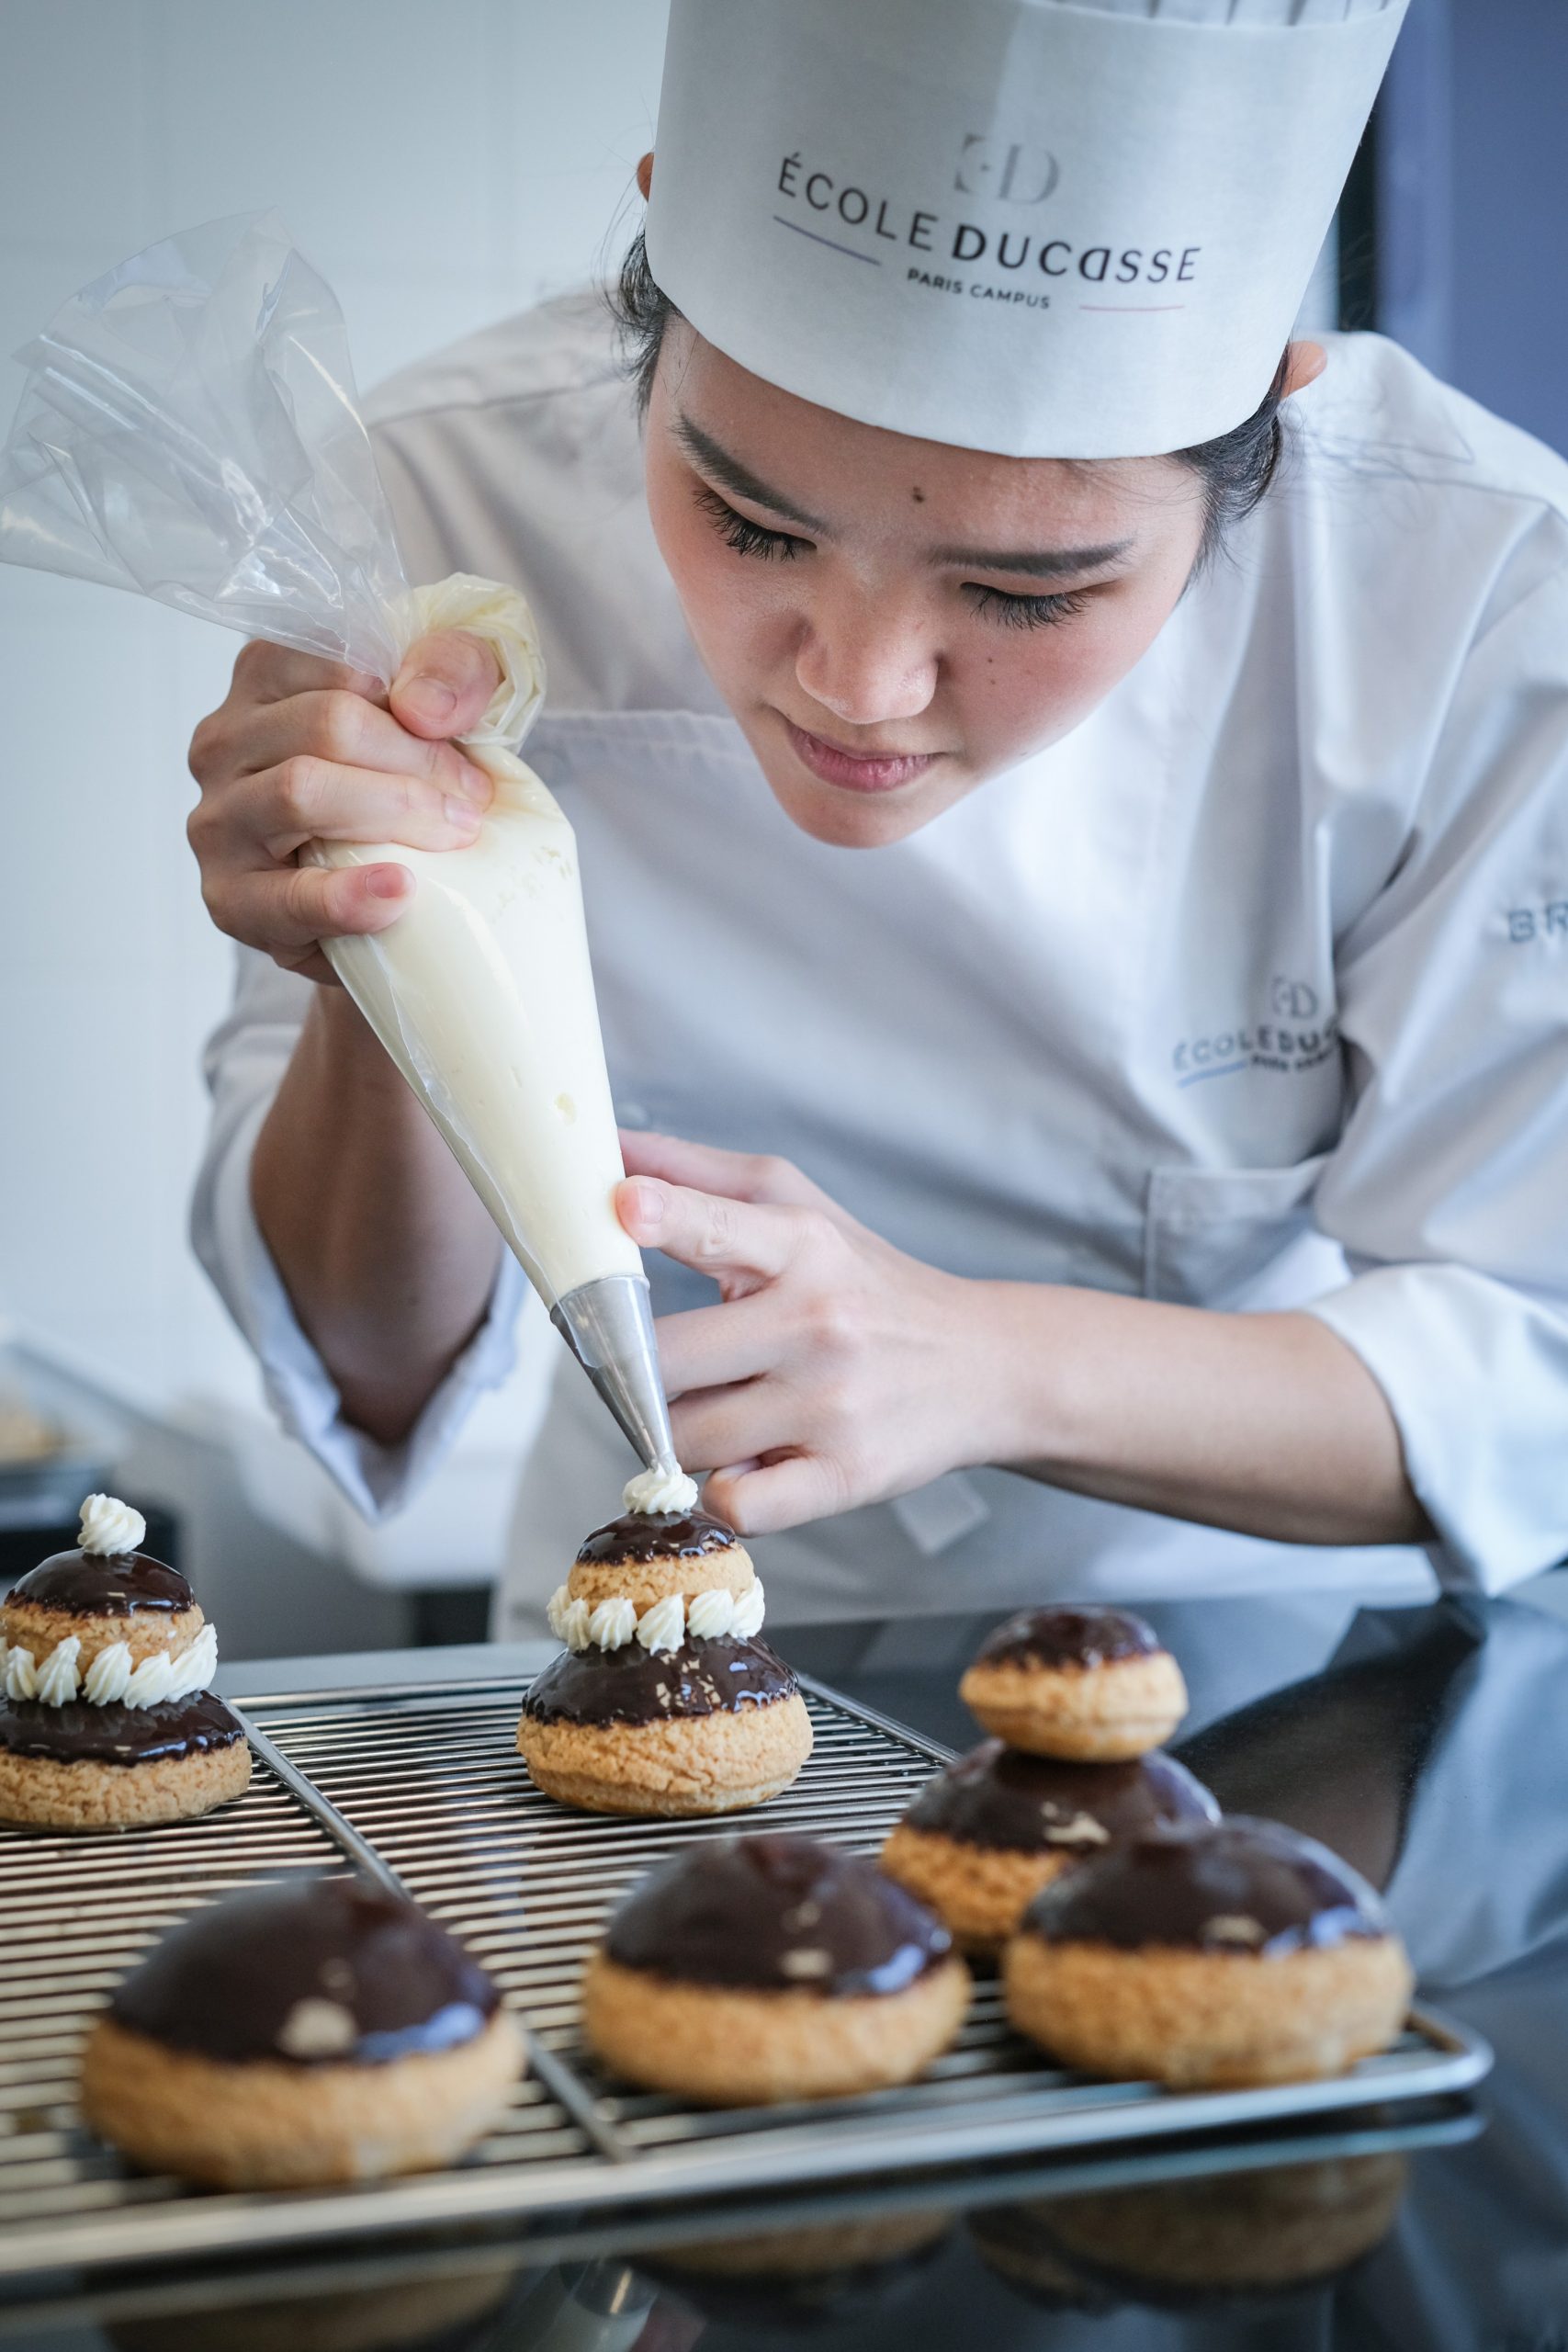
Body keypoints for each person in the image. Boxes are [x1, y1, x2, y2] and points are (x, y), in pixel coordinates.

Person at [187, 0, 1568, 1642]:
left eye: (1020, 588)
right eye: (752, 528)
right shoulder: (438, 501)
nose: (859, 685)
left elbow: (1533, 1369)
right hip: (644, 1628)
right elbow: (368, 1360)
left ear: (1277, 394)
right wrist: (377, 957)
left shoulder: (1474, 590)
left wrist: (990, 1366)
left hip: (1259, 1680)